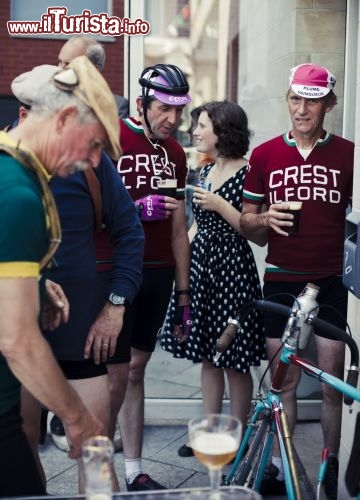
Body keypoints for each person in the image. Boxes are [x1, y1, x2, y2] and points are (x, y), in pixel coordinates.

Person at [11, 64, 145, 492]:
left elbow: (129, 234)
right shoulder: (15, 184)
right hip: (19, 342)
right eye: (92, 145)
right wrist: (74, 416)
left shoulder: (83, 168)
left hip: (79, 335)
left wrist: (115, 305)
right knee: (21, 447)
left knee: (96, 455)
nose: (93, 158)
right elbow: (15, 337)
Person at [240, 63, 354, 499]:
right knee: (281, 382)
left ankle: (328, 473)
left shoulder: (349, 154)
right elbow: (248, 223)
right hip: (282, 278)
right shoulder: (266, 154)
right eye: (295, 98)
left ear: (329, 104)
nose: (302, 109)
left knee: (331, 382)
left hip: (332, 282)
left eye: (311, 100)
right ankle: (284, 470)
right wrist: (264, 219)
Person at [97, 63, 192, 491]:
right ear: (142, 103)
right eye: (163, 108)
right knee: (115, 377)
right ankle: (101, 473)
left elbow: (177, 226)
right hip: (118, 272)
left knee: (136, 371)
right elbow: (84, 212)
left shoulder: (175, 152)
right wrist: (133, 210)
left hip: (159, 275)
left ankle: (134, 469)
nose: (172, 118)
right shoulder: (111, 138)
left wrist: (184, 295)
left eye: (178, 110)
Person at [160, 100, 266, 457]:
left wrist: (221, 205)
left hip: (233, 269)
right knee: (208, 355)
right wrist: (180, 272)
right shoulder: (203, 173)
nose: (195, 132)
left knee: (234, 359)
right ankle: (208, 431)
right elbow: (192, 228)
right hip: (203, 270)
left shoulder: (250, 173)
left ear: (222, 131)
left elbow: (258, 233)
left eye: (202, 125)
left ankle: (236, 437)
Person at [58, 35, 129, 118]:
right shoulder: (52, 100)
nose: (60, 69)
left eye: (68, 64)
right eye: (60, 62)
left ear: (93, 70)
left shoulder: (116, 106)